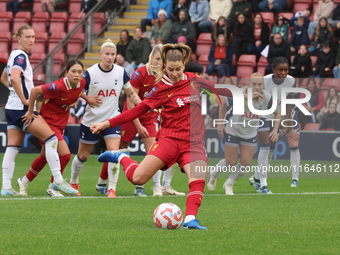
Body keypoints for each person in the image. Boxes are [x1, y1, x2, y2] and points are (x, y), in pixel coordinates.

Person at [91, 44, 235, 230]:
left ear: (184, 65)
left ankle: (190, 219)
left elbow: (221, 91)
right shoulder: (160, 89)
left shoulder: (195, 80)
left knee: (197, 179)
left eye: (178, 69)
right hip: (169, 141)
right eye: (170, 69)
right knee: (138, 179)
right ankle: (121, 157)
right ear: (164, 67)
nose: (174, 73)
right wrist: (107, 123)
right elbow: (137, 110)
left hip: (194, 144)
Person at [0, 25, 78, 196]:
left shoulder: (13, 54)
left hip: (10, 108)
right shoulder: (21, 56)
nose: (32, 40)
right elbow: (13, 77)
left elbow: (3, 78)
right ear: (18, 38)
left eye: (33, 37)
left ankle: (6, 187)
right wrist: (25, 100)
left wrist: (15, 93)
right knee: (51, 138)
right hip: (21, 109)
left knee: (12, 147)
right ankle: (58, 180)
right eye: (27, 37)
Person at [69, 39, 143, 198]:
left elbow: (131, 93)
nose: (110, 57)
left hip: (112, 120)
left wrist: (144, 106)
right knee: (82, 156)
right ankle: (73, 182)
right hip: (92, 120)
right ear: (101, 54)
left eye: (113, 54)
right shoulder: (91, 73)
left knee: (114, 153)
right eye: (107, 54)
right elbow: (76, 89)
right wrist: (87, 98)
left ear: (116, 55)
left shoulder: (121, 72)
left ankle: (112, 189)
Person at [17, 60, 97, 196]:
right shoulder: (57, 86)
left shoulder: (82, 83)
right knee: (65, 155)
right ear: (66, 72)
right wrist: (31, 111)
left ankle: (24, 181)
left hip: (61, 123)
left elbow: (76, 92)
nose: (77, 75)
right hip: (48, 122)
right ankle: (53, 186)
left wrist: (86, 98)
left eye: (80, 72)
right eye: (73, 71)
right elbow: (35, 90)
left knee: (44, 157)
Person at [119, 44, 185, 197]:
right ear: (151, 57)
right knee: (120, 149)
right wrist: (138, 125)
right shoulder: (138, 74)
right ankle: (103, 180)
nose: (159, 63)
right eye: (157, 59)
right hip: (132, 115)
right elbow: (130, 104)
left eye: (162, 60)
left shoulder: (166, 76)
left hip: (150, 117)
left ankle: (154, 188)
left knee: (154, 152)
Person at [207, 73, 280, 195]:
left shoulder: (267, 97)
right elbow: (223, 103)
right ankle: (213, 174)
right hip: (232, 129)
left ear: (263, 85)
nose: (257, 87)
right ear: (249, 84)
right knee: (230, 162)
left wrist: (275, 130)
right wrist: (220, 123)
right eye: (254, 84)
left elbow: (277, 113)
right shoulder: (239, 94)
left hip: (250, 132)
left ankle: (229, 184)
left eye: (260, 84)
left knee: (245, 164)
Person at [249, 57, 301, 193]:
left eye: (285, 70)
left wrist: (287, 125)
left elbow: (288, 104)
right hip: (265, 115)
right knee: (266, 147)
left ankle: (257, 178)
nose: (283, 73)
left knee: (272, 150)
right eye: (280, 70)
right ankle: (262, 184)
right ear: (273, 70)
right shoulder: (265, 81)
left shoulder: (291, 81)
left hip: (283, 115)